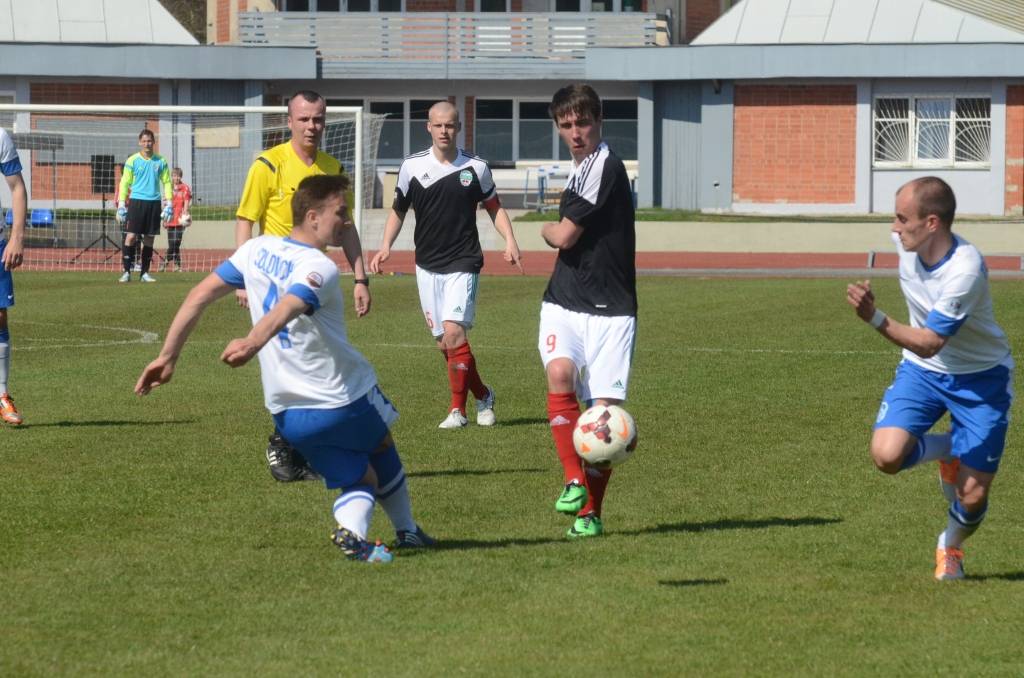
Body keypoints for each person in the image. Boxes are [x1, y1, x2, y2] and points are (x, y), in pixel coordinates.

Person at [135, 174, 434, 562]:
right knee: (379, 448)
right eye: (340, 212)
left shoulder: (256, 249)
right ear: (312, 217)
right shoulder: (320, 267)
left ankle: (374, 538)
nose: (346, 221)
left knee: (359, 473)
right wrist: (252, 341)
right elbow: (290, 305)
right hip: (341, 396)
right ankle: (387, 531)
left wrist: (168, 356)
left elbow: (199, 295)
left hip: (286, 413)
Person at [847, 176, 1013, 581]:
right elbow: (924, 356)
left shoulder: (965, 270)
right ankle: (950, 449)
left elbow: (930, 342)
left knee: (972, 495)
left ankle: (950, 545)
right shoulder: (907, 241)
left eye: (902, 219)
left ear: (932, 223)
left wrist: (874, 317)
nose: (894, 228)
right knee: (886, 456)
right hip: (923, 374)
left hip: (981, 380)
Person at [235, 90, 366, 483]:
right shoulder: (268, 165)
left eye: (318, 119)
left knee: (318, 364)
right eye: (305, 119)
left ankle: (294, 447)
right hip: (276, 280)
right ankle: (285, 444)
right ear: (289, 121)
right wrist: (242, 279)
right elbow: (246, 219)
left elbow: (346, 226)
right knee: (300, 366)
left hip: (315, 280)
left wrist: (360, 277)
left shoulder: (332, 168)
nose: (312, 126)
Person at [368, 101, 522, 429]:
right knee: (445, 343)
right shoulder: (411, 166)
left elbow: (494, 207)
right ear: (428, 127)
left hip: (463, 261)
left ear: (458, 128)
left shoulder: (476, 167)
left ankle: (457, 411)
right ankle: (483, 395)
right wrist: (385, 246)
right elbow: (398, 210)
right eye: (438, 125)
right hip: (426, 264)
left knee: (454, 332)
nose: (444, 131)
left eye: (450, 125)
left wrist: (510, 239)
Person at [538, 84, 637, 539]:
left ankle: (590, 514)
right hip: (565, 299)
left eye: (583, 123)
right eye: (566, 125)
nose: (575, 133)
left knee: (603, 420)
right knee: (559, 373)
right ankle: (573, 481)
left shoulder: (603, 165)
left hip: (612, 310)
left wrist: (544, 228)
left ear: (599, 122)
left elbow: (563, 237)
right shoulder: (580, 168)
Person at [116, 129, 172, 283]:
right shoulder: (132, 160)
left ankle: (144, 273)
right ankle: (126, 272)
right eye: (144, 141)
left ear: (154, 142)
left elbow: (167, 182)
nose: (147, 144)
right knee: (131, 236)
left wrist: (169, 203)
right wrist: (121, 204)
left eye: (150, 141)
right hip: (136, 202)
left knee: (149, 238)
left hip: (154, 203)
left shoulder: (161, 161)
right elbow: (124, 182)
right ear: (140, 142)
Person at [0, 127, 26, 425]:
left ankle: (2, 394)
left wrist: (17, 237)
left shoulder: (1, 137)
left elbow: (17, 187)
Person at [160, 167, 192, 272]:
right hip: (170, 218)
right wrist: (164, 220)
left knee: (176, 242)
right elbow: (165, 204)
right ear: (172, 176)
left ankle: (166, 261)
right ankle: (177, 265)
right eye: (174, 176)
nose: (176, 178)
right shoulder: (168, 188)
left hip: (179, 219)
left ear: (180, 176)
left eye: (178, 176)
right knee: (172, 244)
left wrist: (185, 212)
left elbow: (186, 201)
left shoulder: (185, 188)